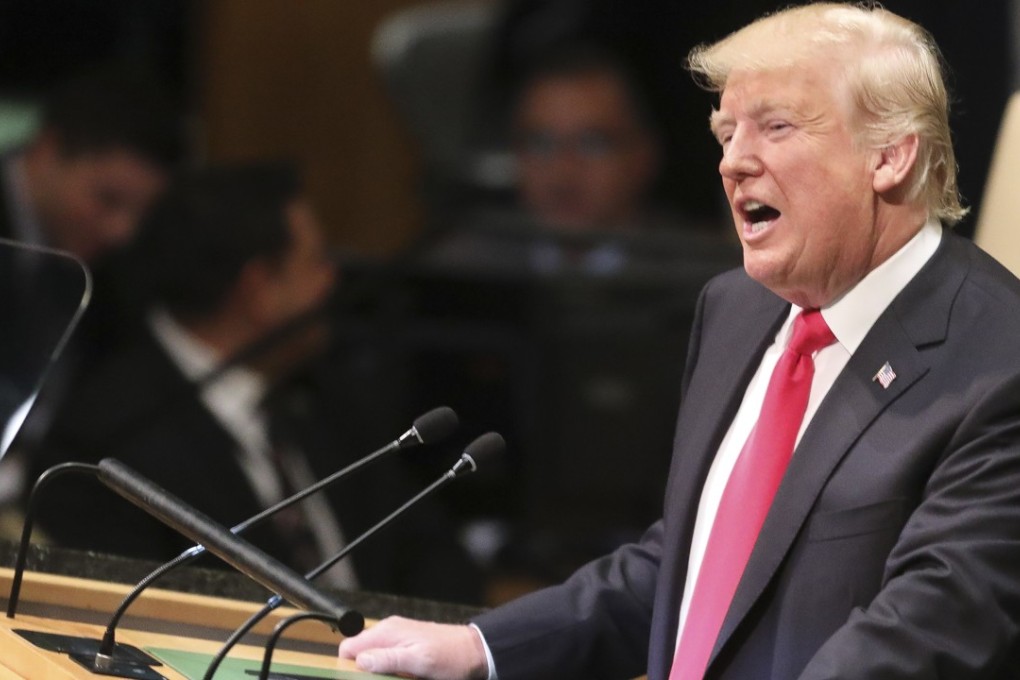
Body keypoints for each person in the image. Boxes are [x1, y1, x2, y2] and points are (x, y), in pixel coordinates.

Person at [337, 3, 1020, 678]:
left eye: (776, 127)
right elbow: (690, 566)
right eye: (726, 134)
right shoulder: (735, 309)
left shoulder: (998, 361)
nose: (733, 163)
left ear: (890, 156)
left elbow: (931, 630)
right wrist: (483, 647)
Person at [29, 163, 482, 604]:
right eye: (316, 262)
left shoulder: (329, 396)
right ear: (259, 286)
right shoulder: (105, 438)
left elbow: (433, 556)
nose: (332, 280)